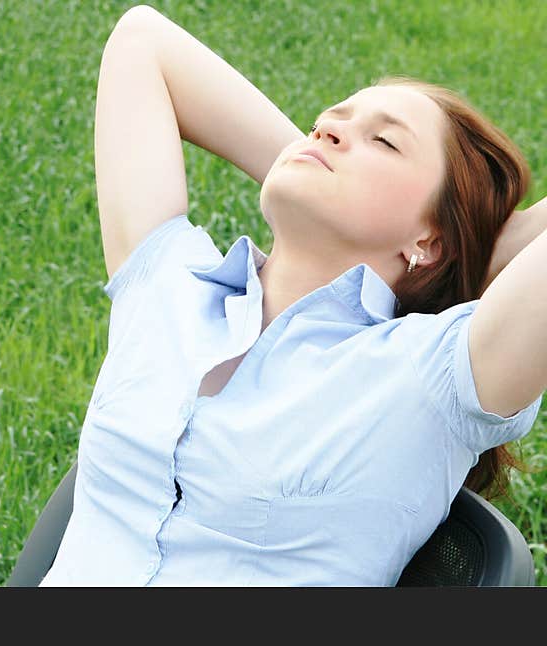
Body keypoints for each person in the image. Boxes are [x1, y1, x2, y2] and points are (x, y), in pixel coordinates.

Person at [38, 6, 547, 586]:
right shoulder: (168, 283)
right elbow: (142, 41)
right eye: (326, 122)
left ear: (429, 241)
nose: (328, 126)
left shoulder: (436, 375)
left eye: (384, 141)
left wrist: (474, 242)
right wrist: (317, 169)